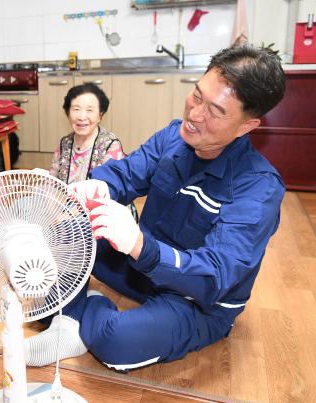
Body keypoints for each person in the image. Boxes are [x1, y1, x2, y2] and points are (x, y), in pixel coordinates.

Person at [24, 44, 286, 370]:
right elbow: (127, 173)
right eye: (196, 95)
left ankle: (75, 313)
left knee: (118, 342)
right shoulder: (172, 138)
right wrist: (96, 187)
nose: (194, 114)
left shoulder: (258, 188)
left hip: (197, 301)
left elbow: (215, 274)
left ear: (247, 126)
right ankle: (74, 318)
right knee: (62, 232)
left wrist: (138, 244)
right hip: (141, 269)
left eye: (216, 111)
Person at [49, 83, 137, 220]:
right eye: (76, 109)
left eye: (89, 110)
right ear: (68, 113)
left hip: (102, 211)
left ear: (100, 115)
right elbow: (52, 184)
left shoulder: (110, 145)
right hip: (67, 209)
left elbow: (106, 194)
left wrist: (66, 217)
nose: (82, 116)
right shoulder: (64, 144)